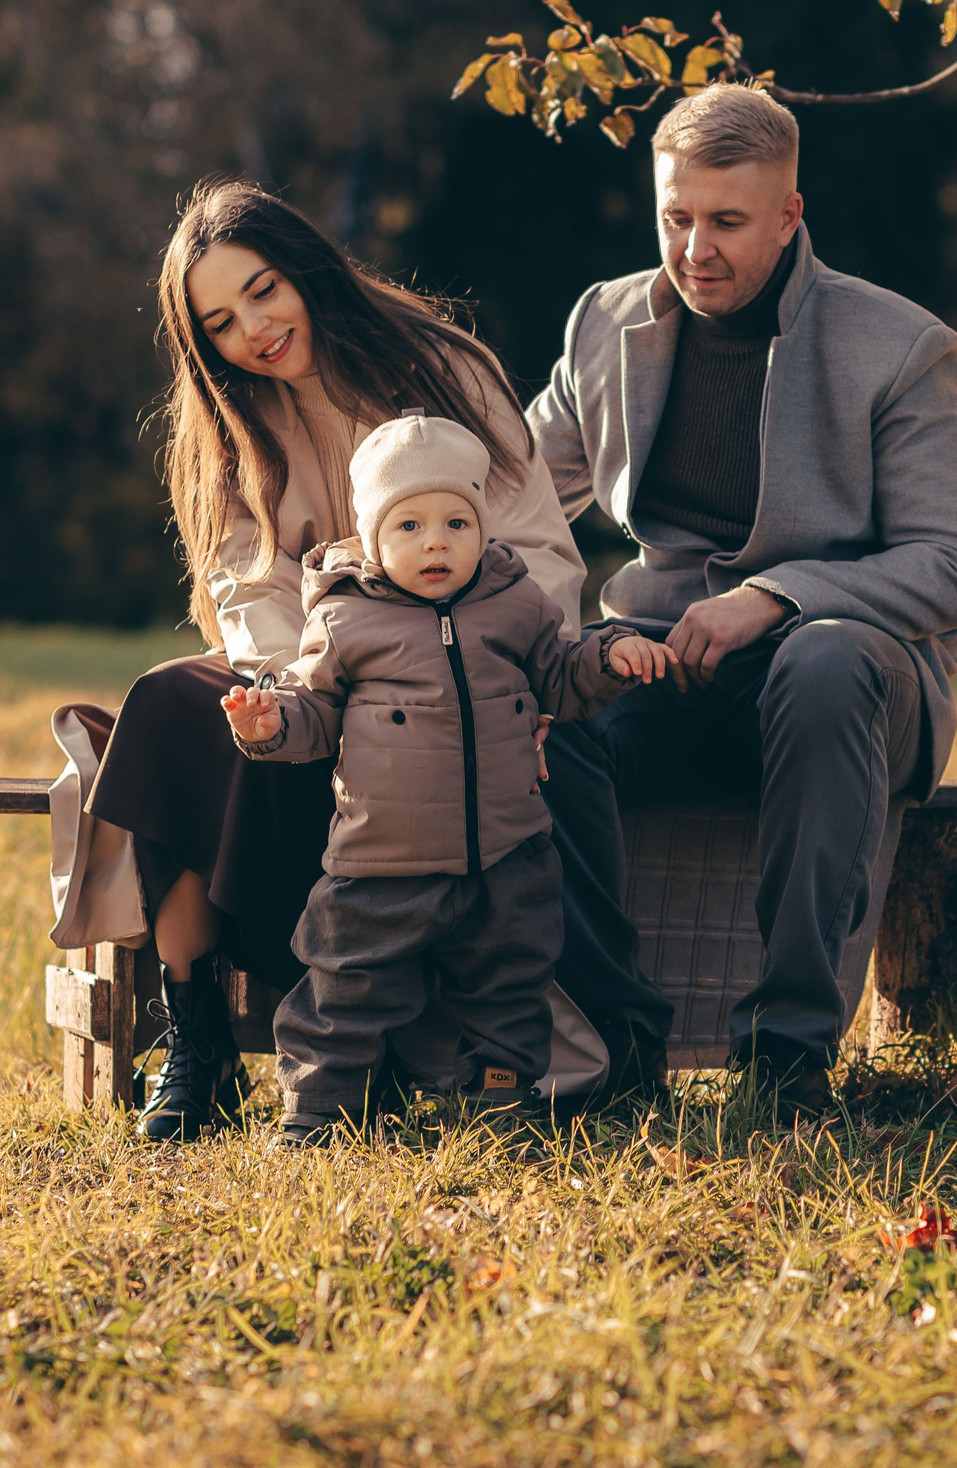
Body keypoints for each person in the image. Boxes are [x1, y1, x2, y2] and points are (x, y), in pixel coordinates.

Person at [526, 83, 957, 1115]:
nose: (695, 250)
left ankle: (785, 1057)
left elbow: (953, 565)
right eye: (675, 217)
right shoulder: (604, 319)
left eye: (727, 222)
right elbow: (512, 495)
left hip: (849, 684)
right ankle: (616, 1045)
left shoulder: (899, 344)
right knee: (542, 711)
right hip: (665, 662)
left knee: (823, 659)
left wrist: (776, 597)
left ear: (789, 215)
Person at [92, 178, 589, 1142]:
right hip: (316, 678)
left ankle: (373, 1044)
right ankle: (197, 1037)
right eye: (221, 323)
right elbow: (247, 583)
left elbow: (534, 545)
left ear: (307, 268)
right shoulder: (234, 425)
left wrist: (512, 682)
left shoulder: (444, 369)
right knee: (168, 705)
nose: (255, 330)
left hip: (453, 676)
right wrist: (307, 687)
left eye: (264, 290)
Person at [221, 414, 672, 1144]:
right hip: (380, 861)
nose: (436, 542)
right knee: (347, 986)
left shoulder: (515, 602)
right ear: (373, 538)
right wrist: (269, 722)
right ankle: (320, 1109)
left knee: (510, 985)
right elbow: (316, 710)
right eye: (409, 525)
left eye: (457, 522)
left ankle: (500, 1105)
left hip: (506, 855)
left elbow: (559, 676)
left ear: (483, 528)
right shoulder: (345, 617)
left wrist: (607, 656)